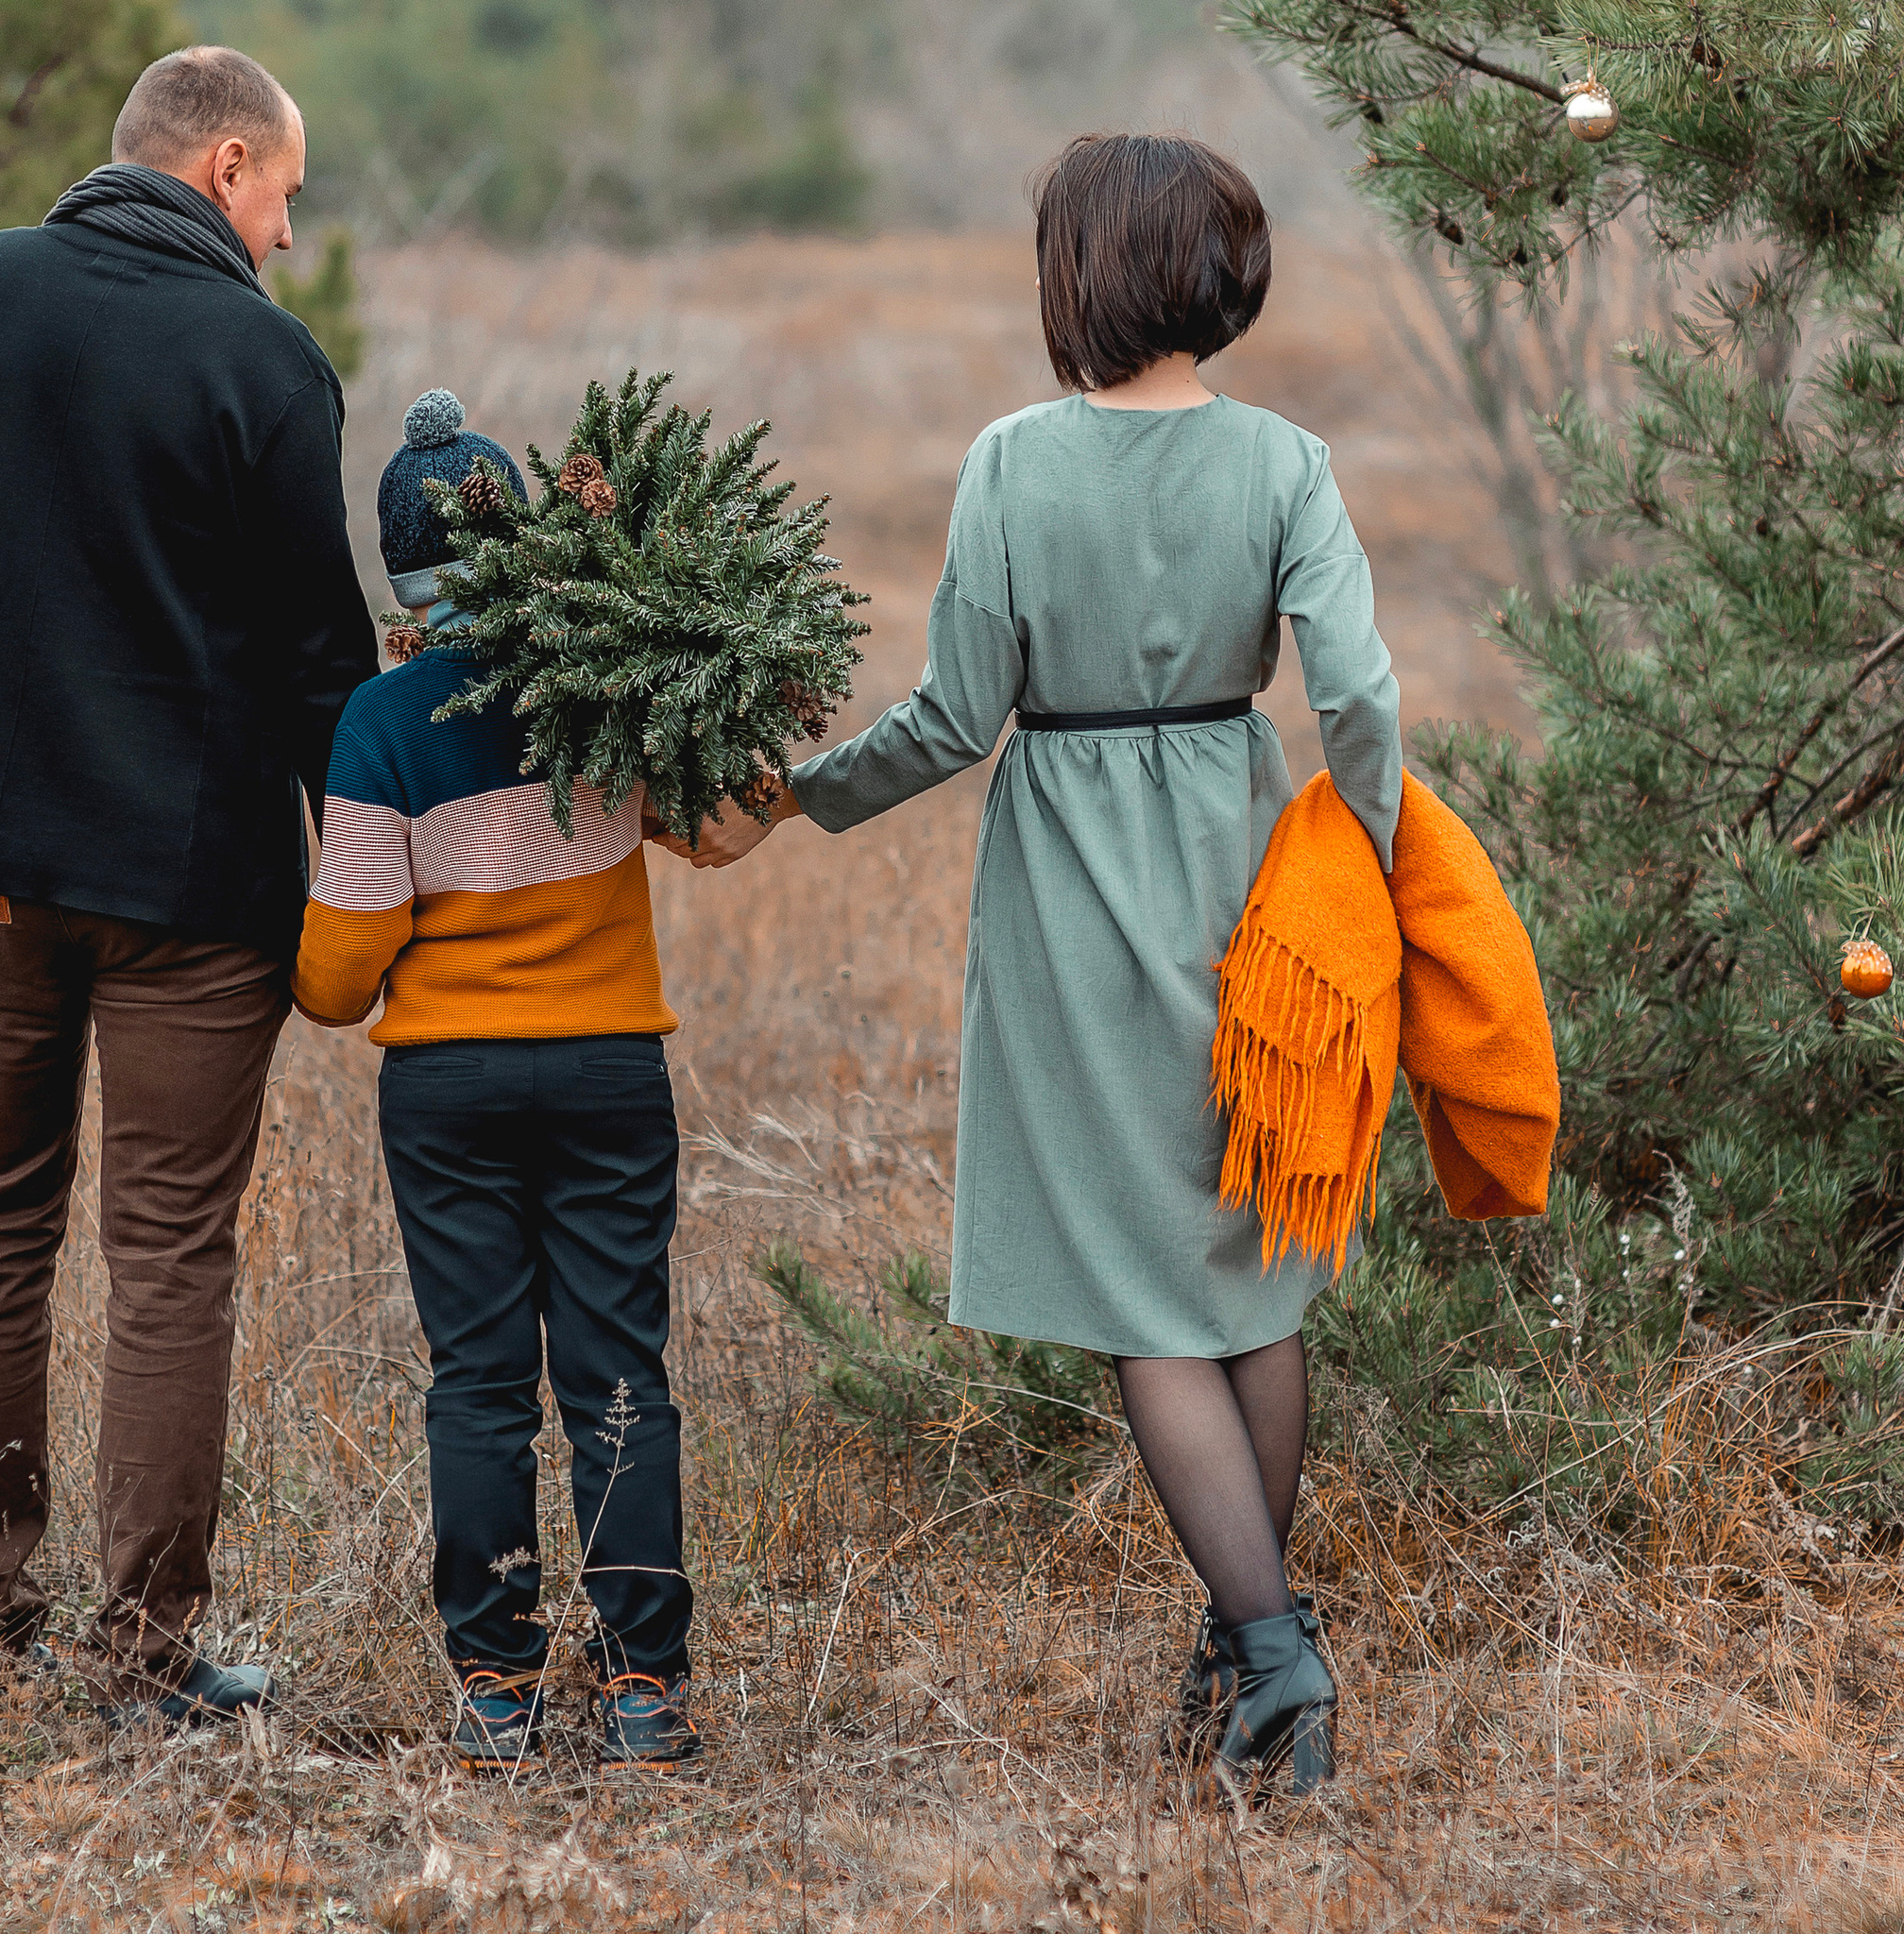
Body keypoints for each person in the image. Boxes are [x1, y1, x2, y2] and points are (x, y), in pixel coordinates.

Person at [688, 132, 1402, 1791]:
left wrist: (800, 797)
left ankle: (1274, 1653)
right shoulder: (1288, 461)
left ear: (1081, 272)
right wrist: (1363, 859)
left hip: (1074, 875)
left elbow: (952, 714)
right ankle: (1243, 1650)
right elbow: (1359, 696)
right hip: (1247, 859)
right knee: (1251, 1267)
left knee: (1134, 1281)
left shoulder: (1013, 460)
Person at [0, 45, 377, 1724]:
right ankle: (147, 1662)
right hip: (193, 886)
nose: (282, 239)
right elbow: (323, 666)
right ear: (225, 166)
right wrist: (382, 887)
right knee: (172, 1253)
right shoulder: (265, 358)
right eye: (282, 201)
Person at [291, 388, 701, 1772]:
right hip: (607, 1073)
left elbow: (341, 979)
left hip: (450, 1092)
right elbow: (738, 810)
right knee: (616, 1373)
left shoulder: (382, 720)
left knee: (478, 1380)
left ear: (397, 576)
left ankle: (495, 1685)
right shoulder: (603, 683)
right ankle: (645, 1685)